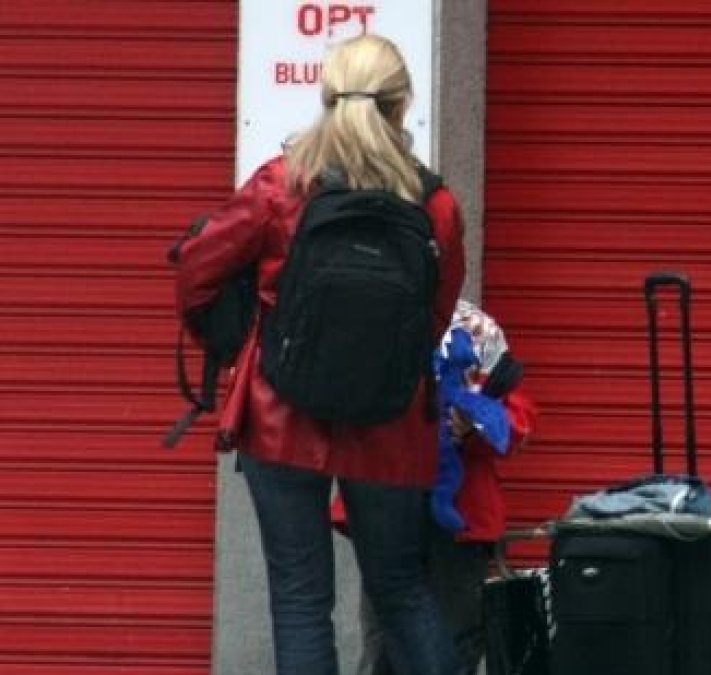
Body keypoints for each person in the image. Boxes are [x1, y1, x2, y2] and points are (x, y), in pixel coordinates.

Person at [174, 34, 466, 675]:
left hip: (282, 417)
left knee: (301, 601)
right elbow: (436, 314)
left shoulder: (282, 185)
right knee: (402, 590)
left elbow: (197, 270)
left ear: (326, 96)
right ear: (403, 104)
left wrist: (237, 339)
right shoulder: (435, 204)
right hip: (389, 423)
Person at [332, 300, 538, 675]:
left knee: (448, 637)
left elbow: (515, 421)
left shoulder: (474, 329)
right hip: (393, 502)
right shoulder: (377, 315)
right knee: (389, 641)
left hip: (452, 515)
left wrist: (473, 426)